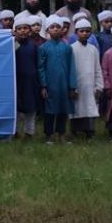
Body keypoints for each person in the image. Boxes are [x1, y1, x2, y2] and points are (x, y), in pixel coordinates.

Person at [37, 16, 77, 144]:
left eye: (58, 27)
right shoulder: (43, 48)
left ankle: (61, 134)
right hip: (50, 85)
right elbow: (41, 67)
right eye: (52, 27)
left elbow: (72, 67)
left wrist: (72, 86)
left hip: (64, 85)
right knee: (49, 110)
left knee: (63, 109)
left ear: (62, 29)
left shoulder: (67, 48)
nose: (55, 29)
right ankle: (48, 135)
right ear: (47, 30)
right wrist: (43, 85)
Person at [70, 19, 103, 140]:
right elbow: (70, 70)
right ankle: (75, 131)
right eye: (81, 31)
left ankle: (90, 131)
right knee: (77, 108)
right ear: (76, 32)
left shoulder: (93, 49)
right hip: (77, 84)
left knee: (90, 107)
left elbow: (98, 69)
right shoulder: (71, 49)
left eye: (87, 31)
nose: (84, 33)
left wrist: (99, 86)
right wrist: (72, 87)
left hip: (90, 84)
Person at [14, 18, 40, 138]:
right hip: (16, 81)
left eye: (25, 28)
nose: (23, 31)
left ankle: (29, 132)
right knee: (16, 107)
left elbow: (37, 63)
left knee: (31, 107)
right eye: (19, 29)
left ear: (29, 30)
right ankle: (14, 131)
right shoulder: (12, 45)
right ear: (15, 31)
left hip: (30, 81)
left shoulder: (33, 46)